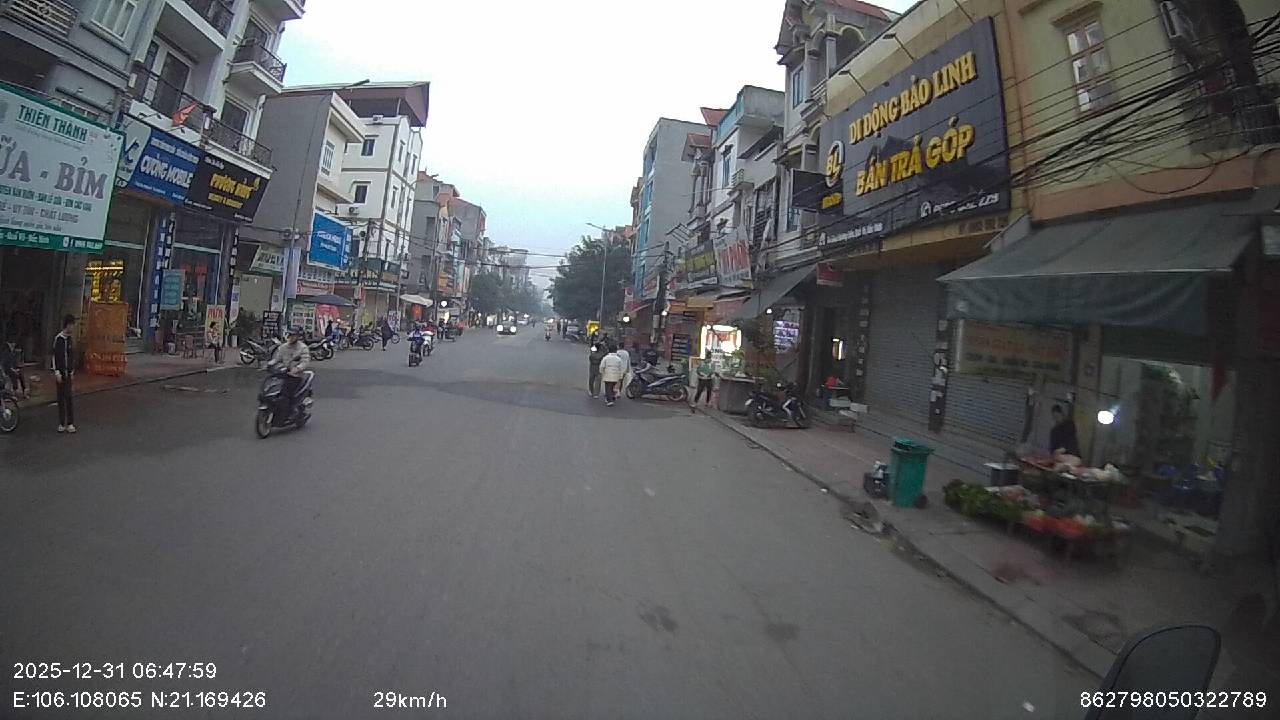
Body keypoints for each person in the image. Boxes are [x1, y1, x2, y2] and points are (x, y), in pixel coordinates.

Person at [270, 327, 311, 405]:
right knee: (271, 388)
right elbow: (277, 358)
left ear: (298, 337)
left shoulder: (303, 348)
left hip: (296, 375)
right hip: (283, 373)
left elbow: (305, 362)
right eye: (290, 335)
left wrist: (297, 368)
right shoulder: (283, 347)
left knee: (286, 394)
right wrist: (270, 364)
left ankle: (289, 409)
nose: (292, 337)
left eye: (294, 335)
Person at [51, 314, 76, 433]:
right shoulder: (58, 339)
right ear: (67, 325)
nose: (73, 328)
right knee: (60, 398)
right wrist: (56, 372)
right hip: (60, 373)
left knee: (69, 398)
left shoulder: (70, 339)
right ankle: (61, 423)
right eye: (72, 325)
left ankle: (70, 423)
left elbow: (71, 356)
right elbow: (55, 356)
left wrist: (72, 370)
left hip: (68, 373)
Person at [599, 343, 626, 407]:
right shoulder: (619, 359)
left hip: (607, 374)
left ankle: (610, 400)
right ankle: (611, 397)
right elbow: (621, 368)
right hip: (616, 375)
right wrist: (620, 376)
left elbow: (602, 366)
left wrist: (602, 372)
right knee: (613, 387)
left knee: (608, 387)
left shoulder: (606, 358)